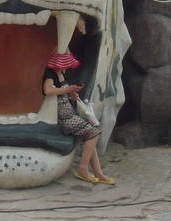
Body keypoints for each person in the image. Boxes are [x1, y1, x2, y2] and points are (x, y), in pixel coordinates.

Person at [42, 51, 116, 185]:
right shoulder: (50, 75)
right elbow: (48, 90)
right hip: (63, 117)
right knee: (93, 135)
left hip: (69, 112)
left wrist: (71, 94)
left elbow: (60, 93)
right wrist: (67, 89)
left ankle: (98, 172)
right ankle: (82, 168)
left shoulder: (61, 73)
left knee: (90, 138)